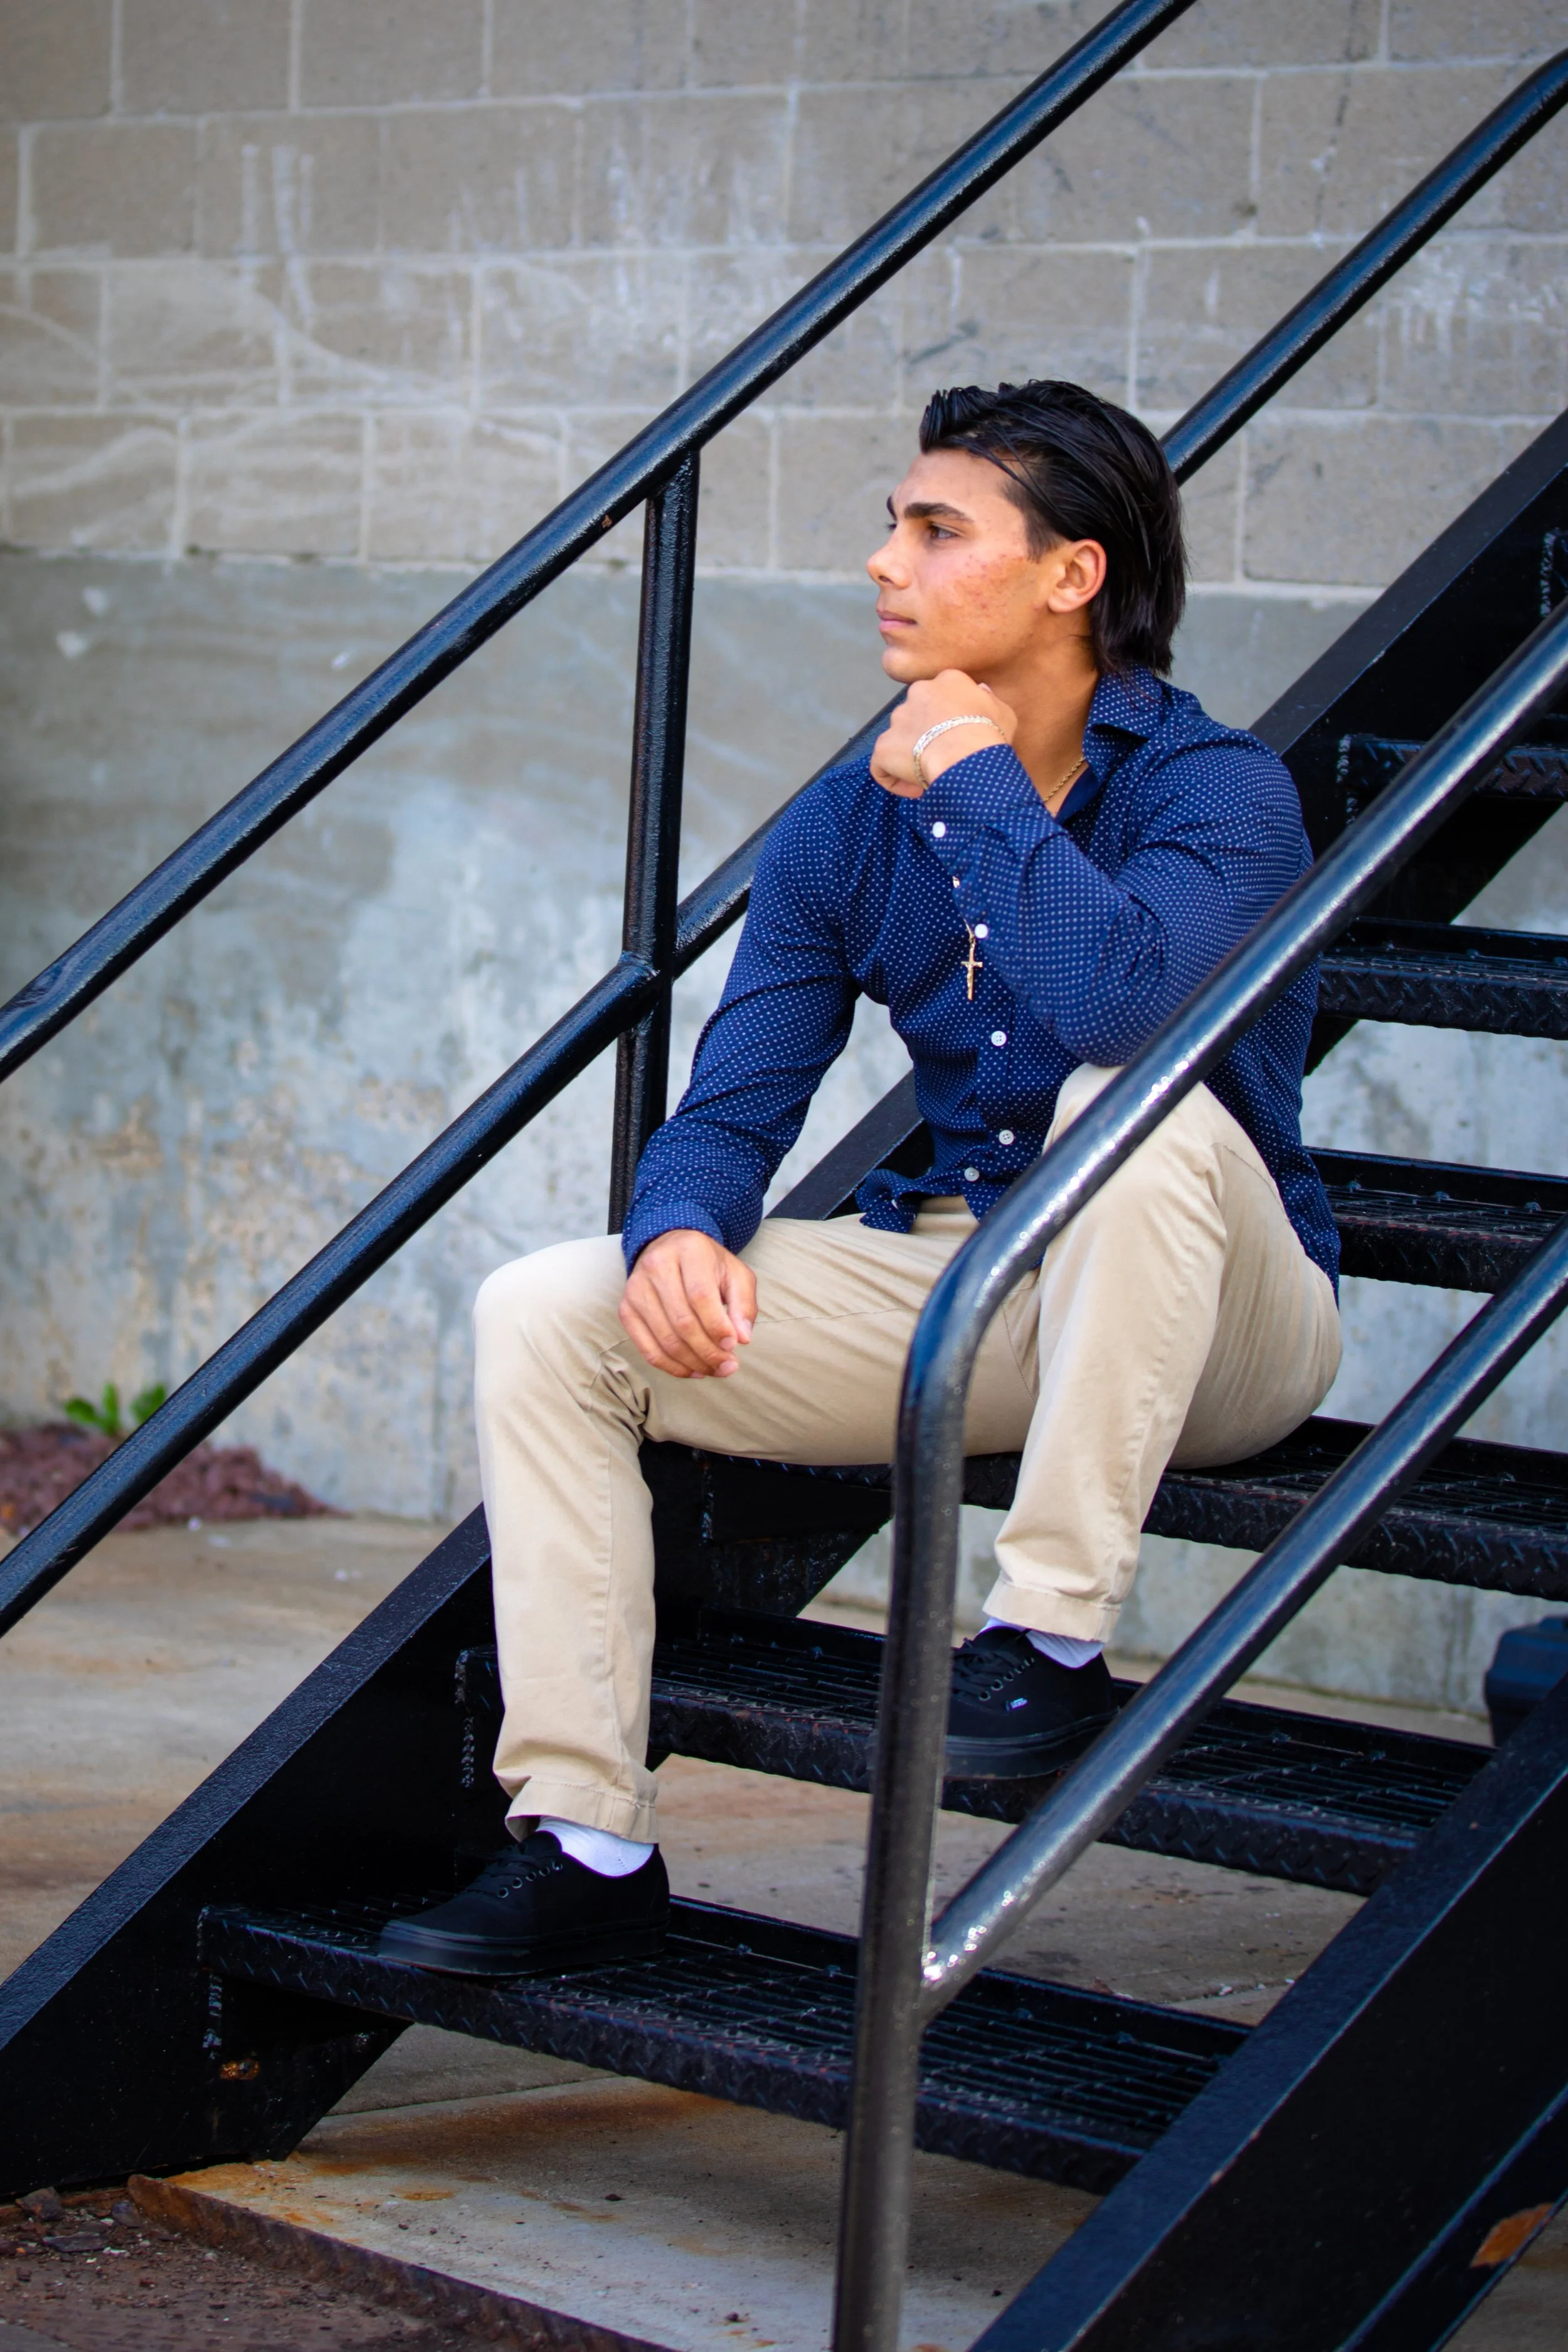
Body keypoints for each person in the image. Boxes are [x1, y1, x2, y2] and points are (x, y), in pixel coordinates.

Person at [380, 378, 1342, 1976]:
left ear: (1069, 575)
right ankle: (583, 1839)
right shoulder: (845, 817)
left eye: (934, 529)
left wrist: (969, 776)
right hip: (975, 1273)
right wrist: (679, 1225)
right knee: (547, 1309)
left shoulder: (1214, 793)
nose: (883, 563)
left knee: (1134, 1109)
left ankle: (1042, 1636)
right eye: (888, 525)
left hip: (1221, 1312)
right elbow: (737, 1092)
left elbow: (1117, 1005)